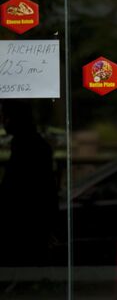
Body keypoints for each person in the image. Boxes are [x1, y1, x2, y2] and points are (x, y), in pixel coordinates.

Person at [0, 100, 57, 266]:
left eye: (5, 116)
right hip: (30, 219)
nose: (4, 121)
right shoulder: (29, 144)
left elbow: (19, 188)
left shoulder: (27, 145)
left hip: (27, 221)